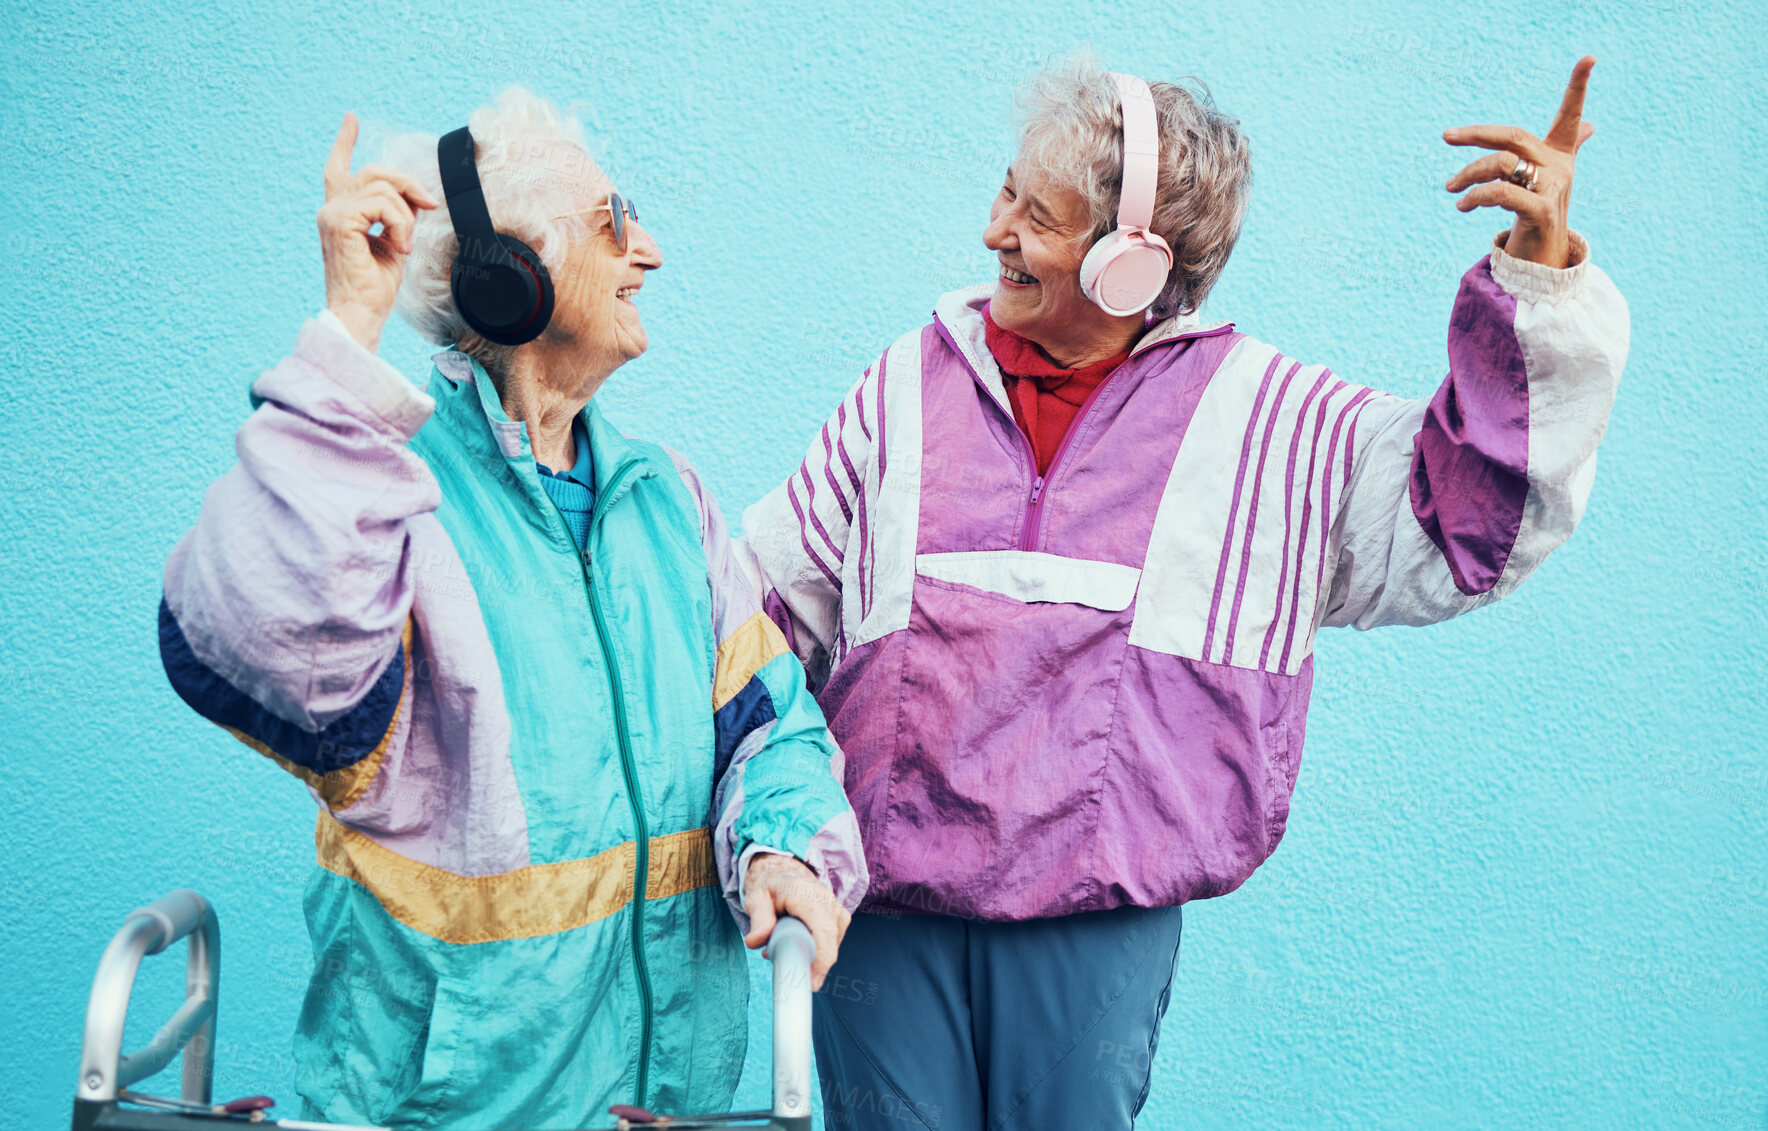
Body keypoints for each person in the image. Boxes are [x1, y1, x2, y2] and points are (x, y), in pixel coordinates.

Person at [738, 51, 1627, 1129]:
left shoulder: (1269, 423)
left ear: (1129, 263)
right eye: (1005, 191)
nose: (993, 232)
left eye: (1037, 214)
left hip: (1095, 931)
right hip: (885, 921)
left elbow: (1464, 522)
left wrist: (1536, 281)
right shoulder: (903, 386)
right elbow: (760, 616)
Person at [156, 87, 865, 1130]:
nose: (652, 253)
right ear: (511, 278)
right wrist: (347, 336)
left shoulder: (667, 499)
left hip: (663, 1104)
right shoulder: (390, 499)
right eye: (616, 223)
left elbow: (770, 725)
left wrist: (784, 845)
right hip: (453, 1110)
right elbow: (271, 646)